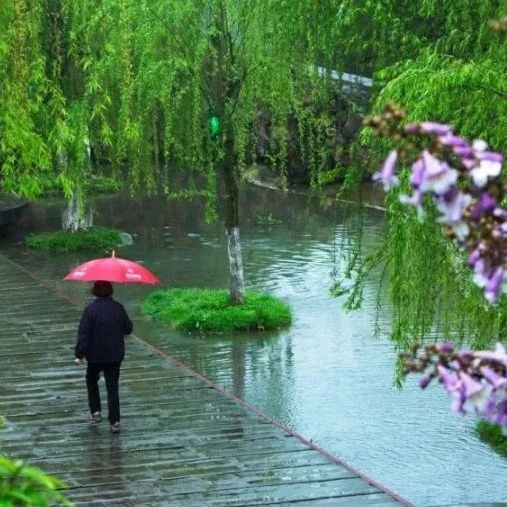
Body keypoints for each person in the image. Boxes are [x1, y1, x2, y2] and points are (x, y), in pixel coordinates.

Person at [74, 280, 133, 433]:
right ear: (111, 290)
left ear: (94, 291)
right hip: (114, 355)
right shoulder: (118, 308)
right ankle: (115, 421)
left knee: (91, 380)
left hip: (95, 355)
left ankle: (96, 412)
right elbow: (128, 329)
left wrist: (79, 354)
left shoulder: (90, 310)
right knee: (112, 387)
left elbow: (84, 334)